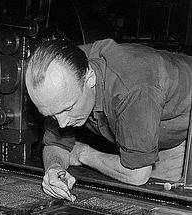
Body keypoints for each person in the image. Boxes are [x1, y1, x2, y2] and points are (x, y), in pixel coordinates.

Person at [25, 38, 192, 201]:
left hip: (183, 123)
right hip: (154, 118)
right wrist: (54, 168)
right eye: (51, 115)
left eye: (68, 109)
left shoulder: (131, 88)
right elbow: (56, 144)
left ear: (90, 79)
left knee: (168, 201)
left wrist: (83, 153)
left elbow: (137, 174)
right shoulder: (64, 71)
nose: (62, 123)